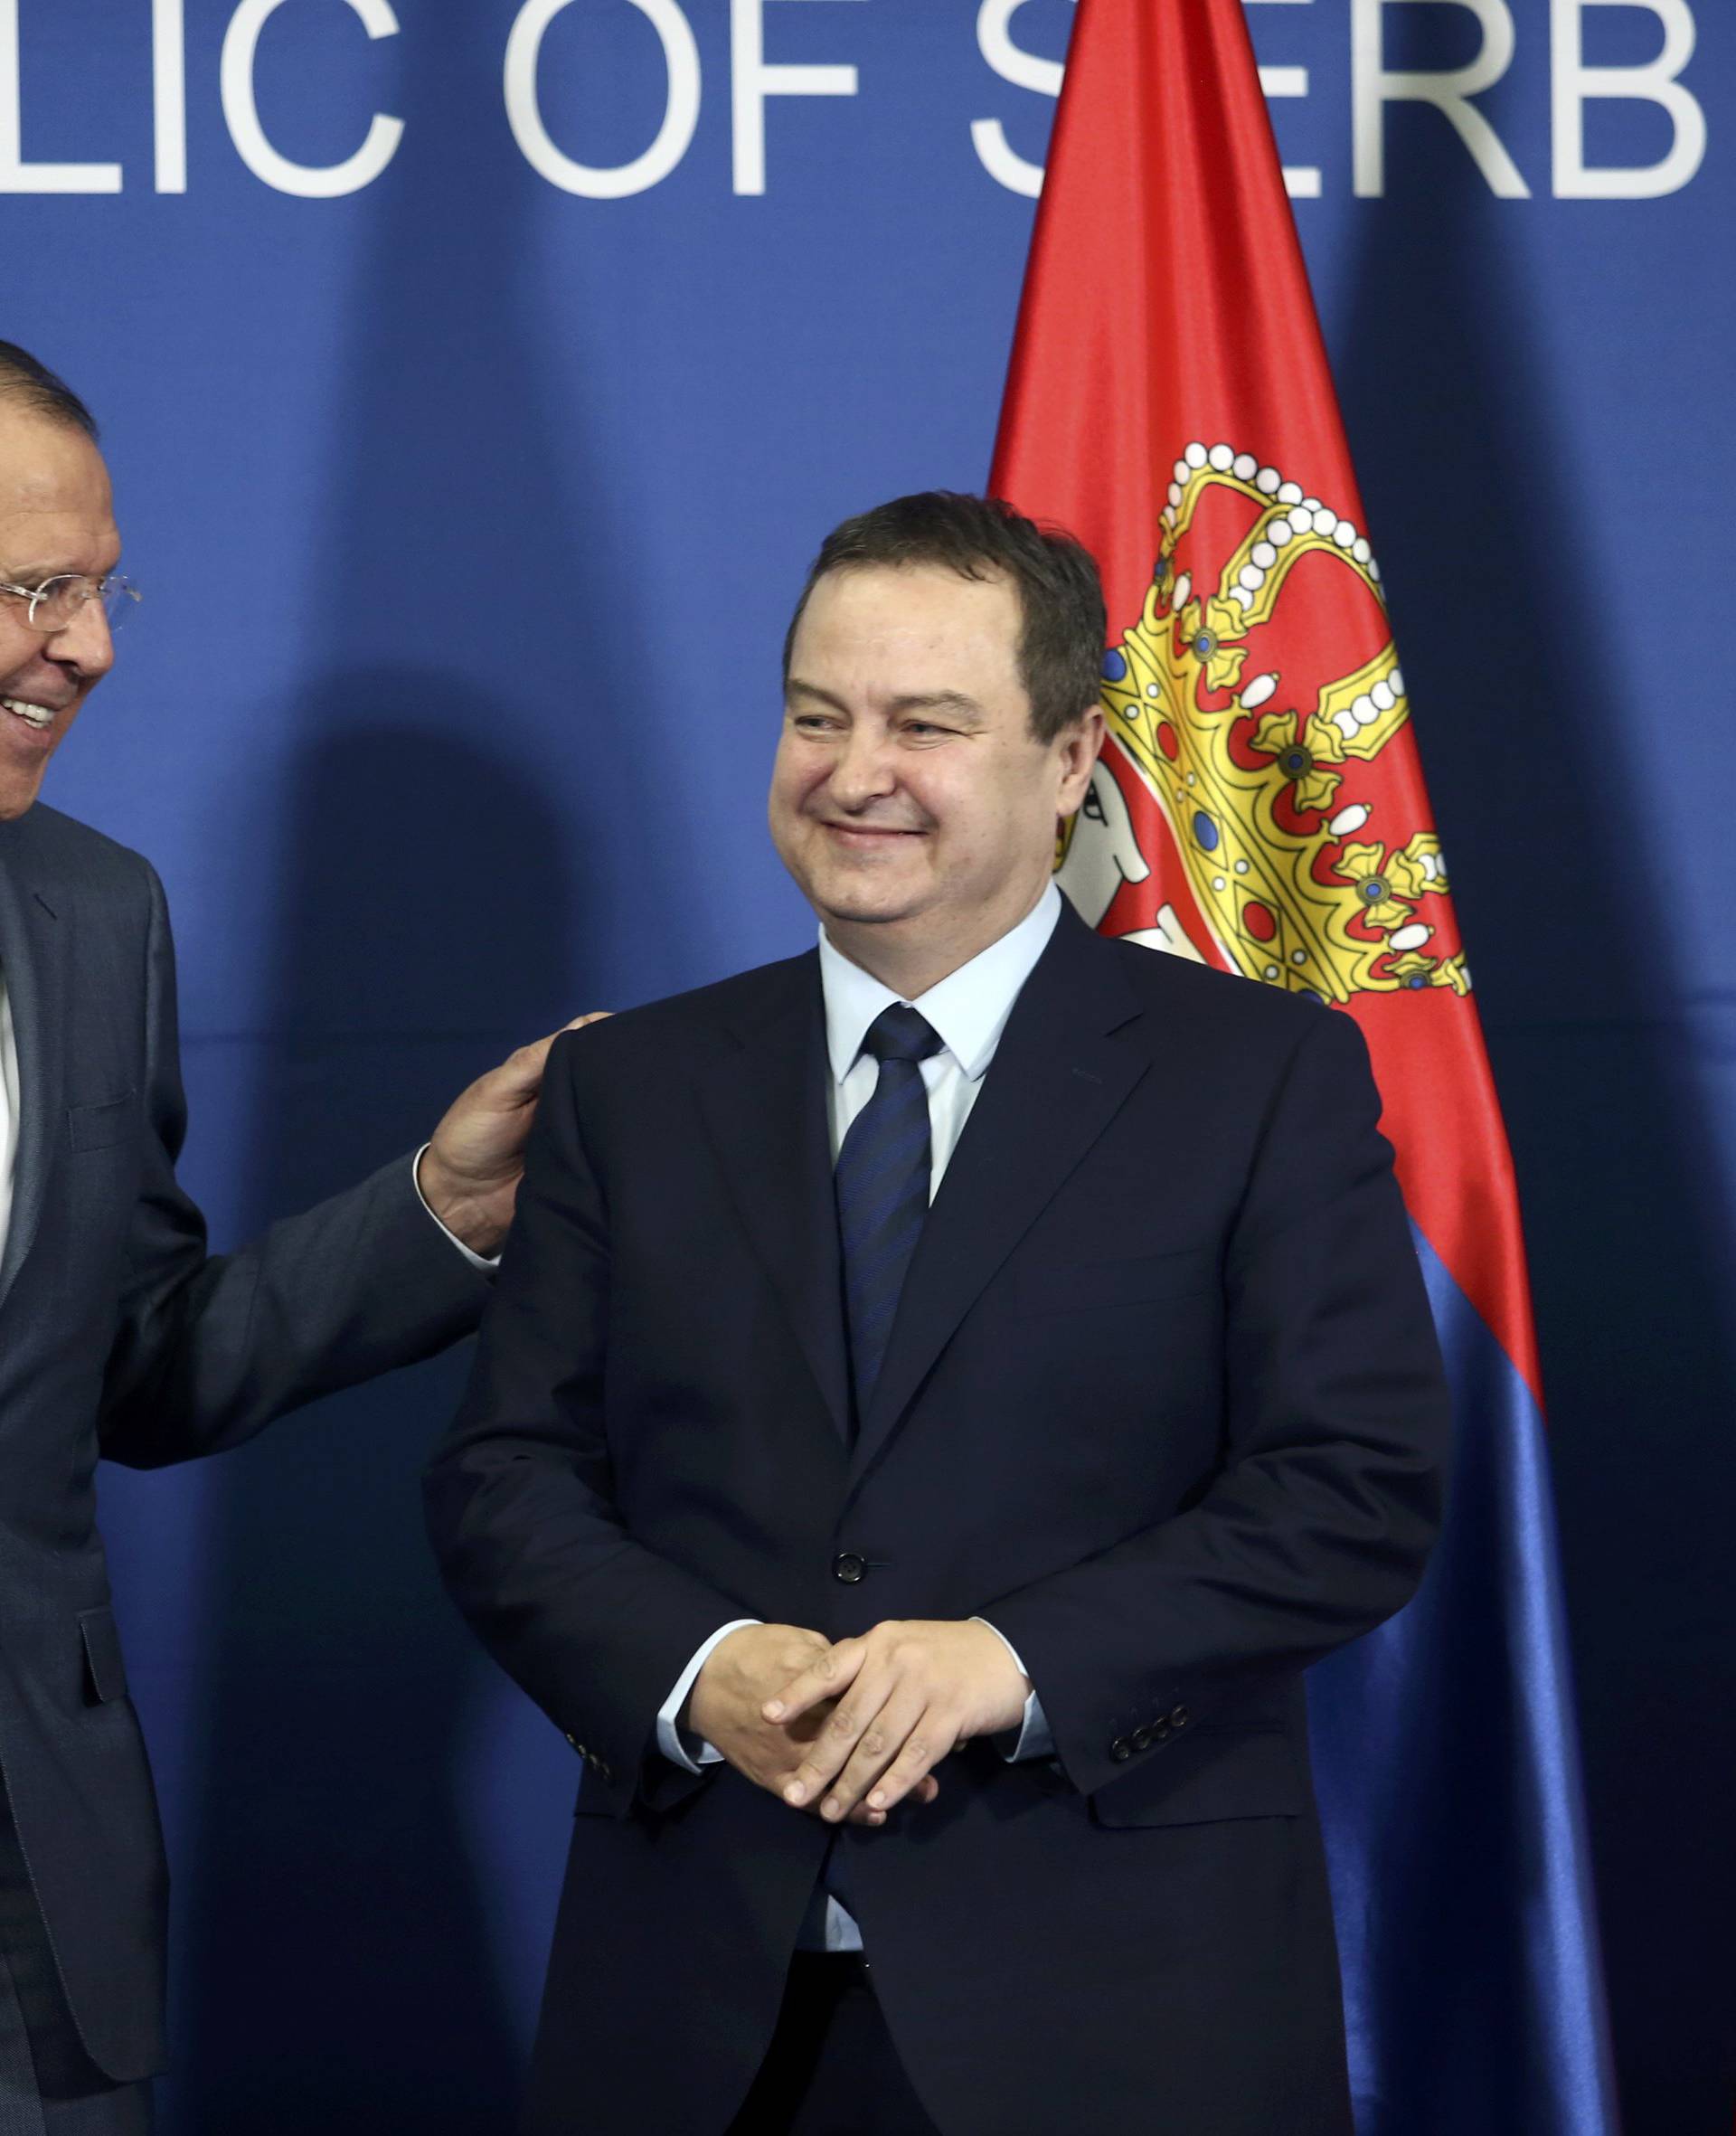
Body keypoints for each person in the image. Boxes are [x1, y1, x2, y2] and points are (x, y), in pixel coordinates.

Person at [426, 492, 1451, 2136]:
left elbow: (1352, 1487)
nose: (855, 771)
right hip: (694, 2013)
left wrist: (1013, 1659)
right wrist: (695, 1669)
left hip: (1124, 2012)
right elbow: (505, 1479)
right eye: (817, 714)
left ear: (1070, 763)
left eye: (927, 723)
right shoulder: (633, 1082)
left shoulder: (1256, 1079)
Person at [0, 340, 579, 2132]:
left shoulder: (96, 915)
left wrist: (448, 1208)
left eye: (100, 591)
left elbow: (138, 1360)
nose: (90, 650)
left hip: (32, 1921)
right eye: (36, 589)